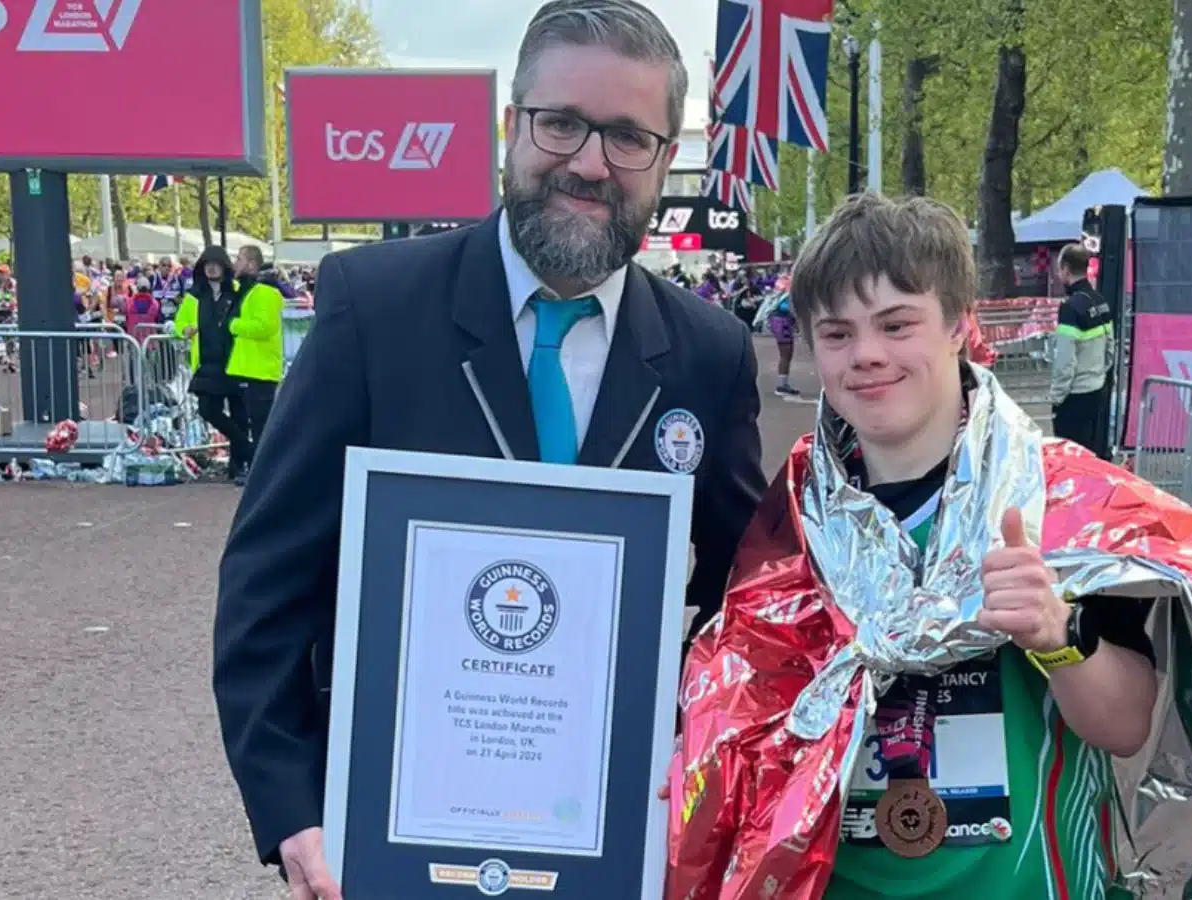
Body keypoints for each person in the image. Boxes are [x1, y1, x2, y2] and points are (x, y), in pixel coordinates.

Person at [667, 194, 1192, 900]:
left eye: (896, 323)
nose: (866, 354)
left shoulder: (1072, 508)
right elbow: (748, 714)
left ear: (959, 328)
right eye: (837, 333)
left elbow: (1125, 728)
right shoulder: (794, 521)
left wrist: (1059, 636)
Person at [212, 2, 767, 897]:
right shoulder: (374, 307)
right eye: (562, 124)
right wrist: (291, 808)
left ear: (666, 159)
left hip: (614, 827)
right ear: (514, 126)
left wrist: (691, 743)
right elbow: (268, 583)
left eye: (628, 136)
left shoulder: (707, 354)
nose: (590, 162)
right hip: (395, 825)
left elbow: (745, 591)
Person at [174, 246, 255, 482]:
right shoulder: (193, 296)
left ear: (224, 266)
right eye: (207, 263)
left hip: (235, 361)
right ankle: (248, 450)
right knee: (208, 410)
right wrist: (183, 330)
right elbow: (179, 324)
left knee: (240, 415)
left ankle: (238, 465)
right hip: (207, 363)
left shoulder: (238, 291)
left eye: (215, 263)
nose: (211, 267)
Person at [1048, 243, 1114, 460]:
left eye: (1059, 270)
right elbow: (1110, 349)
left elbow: (1065, 360)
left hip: (1074, 398)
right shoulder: (1101, 301)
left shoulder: (1070, 308)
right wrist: (1099, 374)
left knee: (1072, 462)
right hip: (1097, 391)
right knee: (1093, 460)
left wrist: (1057, 397)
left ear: (1066, 269)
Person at [231, 244, 288, 479]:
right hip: (243, 366)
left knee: (261, 424)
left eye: (239, 259)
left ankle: (262, 470)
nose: (235, 263)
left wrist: (232, 326)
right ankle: (246, 465)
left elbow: (264, 327)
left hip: (260, 369)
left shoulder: (266, 292)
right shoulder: (242, 290)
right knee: (243, 421)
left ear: (252, 264)